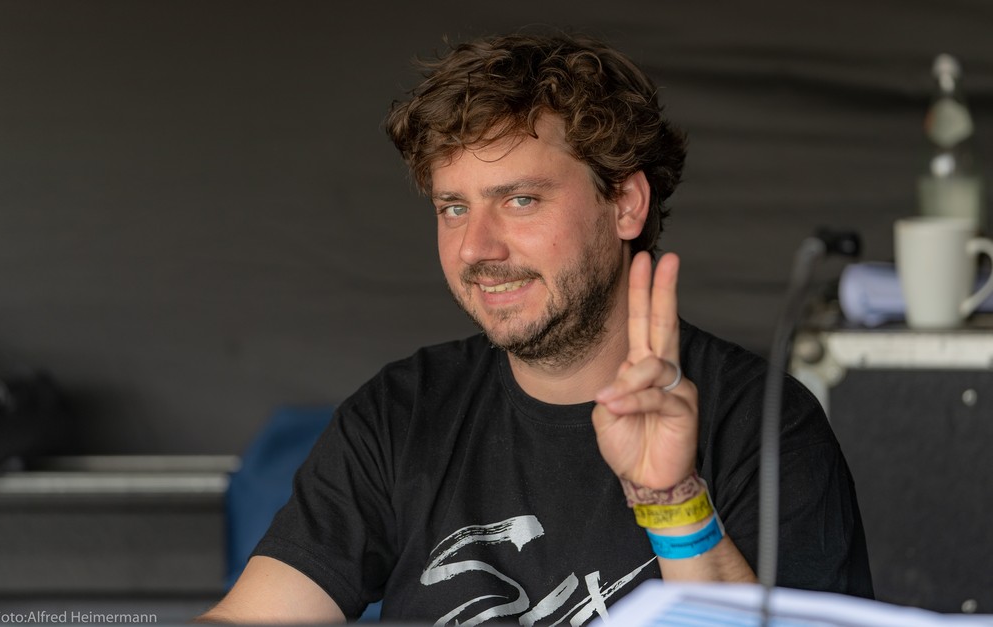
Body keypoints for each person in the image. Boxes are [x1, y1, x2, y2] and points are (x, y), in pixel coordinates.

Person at [199, 30, 873, 625]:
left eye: (520, 200)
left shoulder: (765, 425)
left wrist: (671, 501)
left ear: (625, 203)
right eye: (453, 207)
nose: (475, 247)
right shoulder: (400, 412)